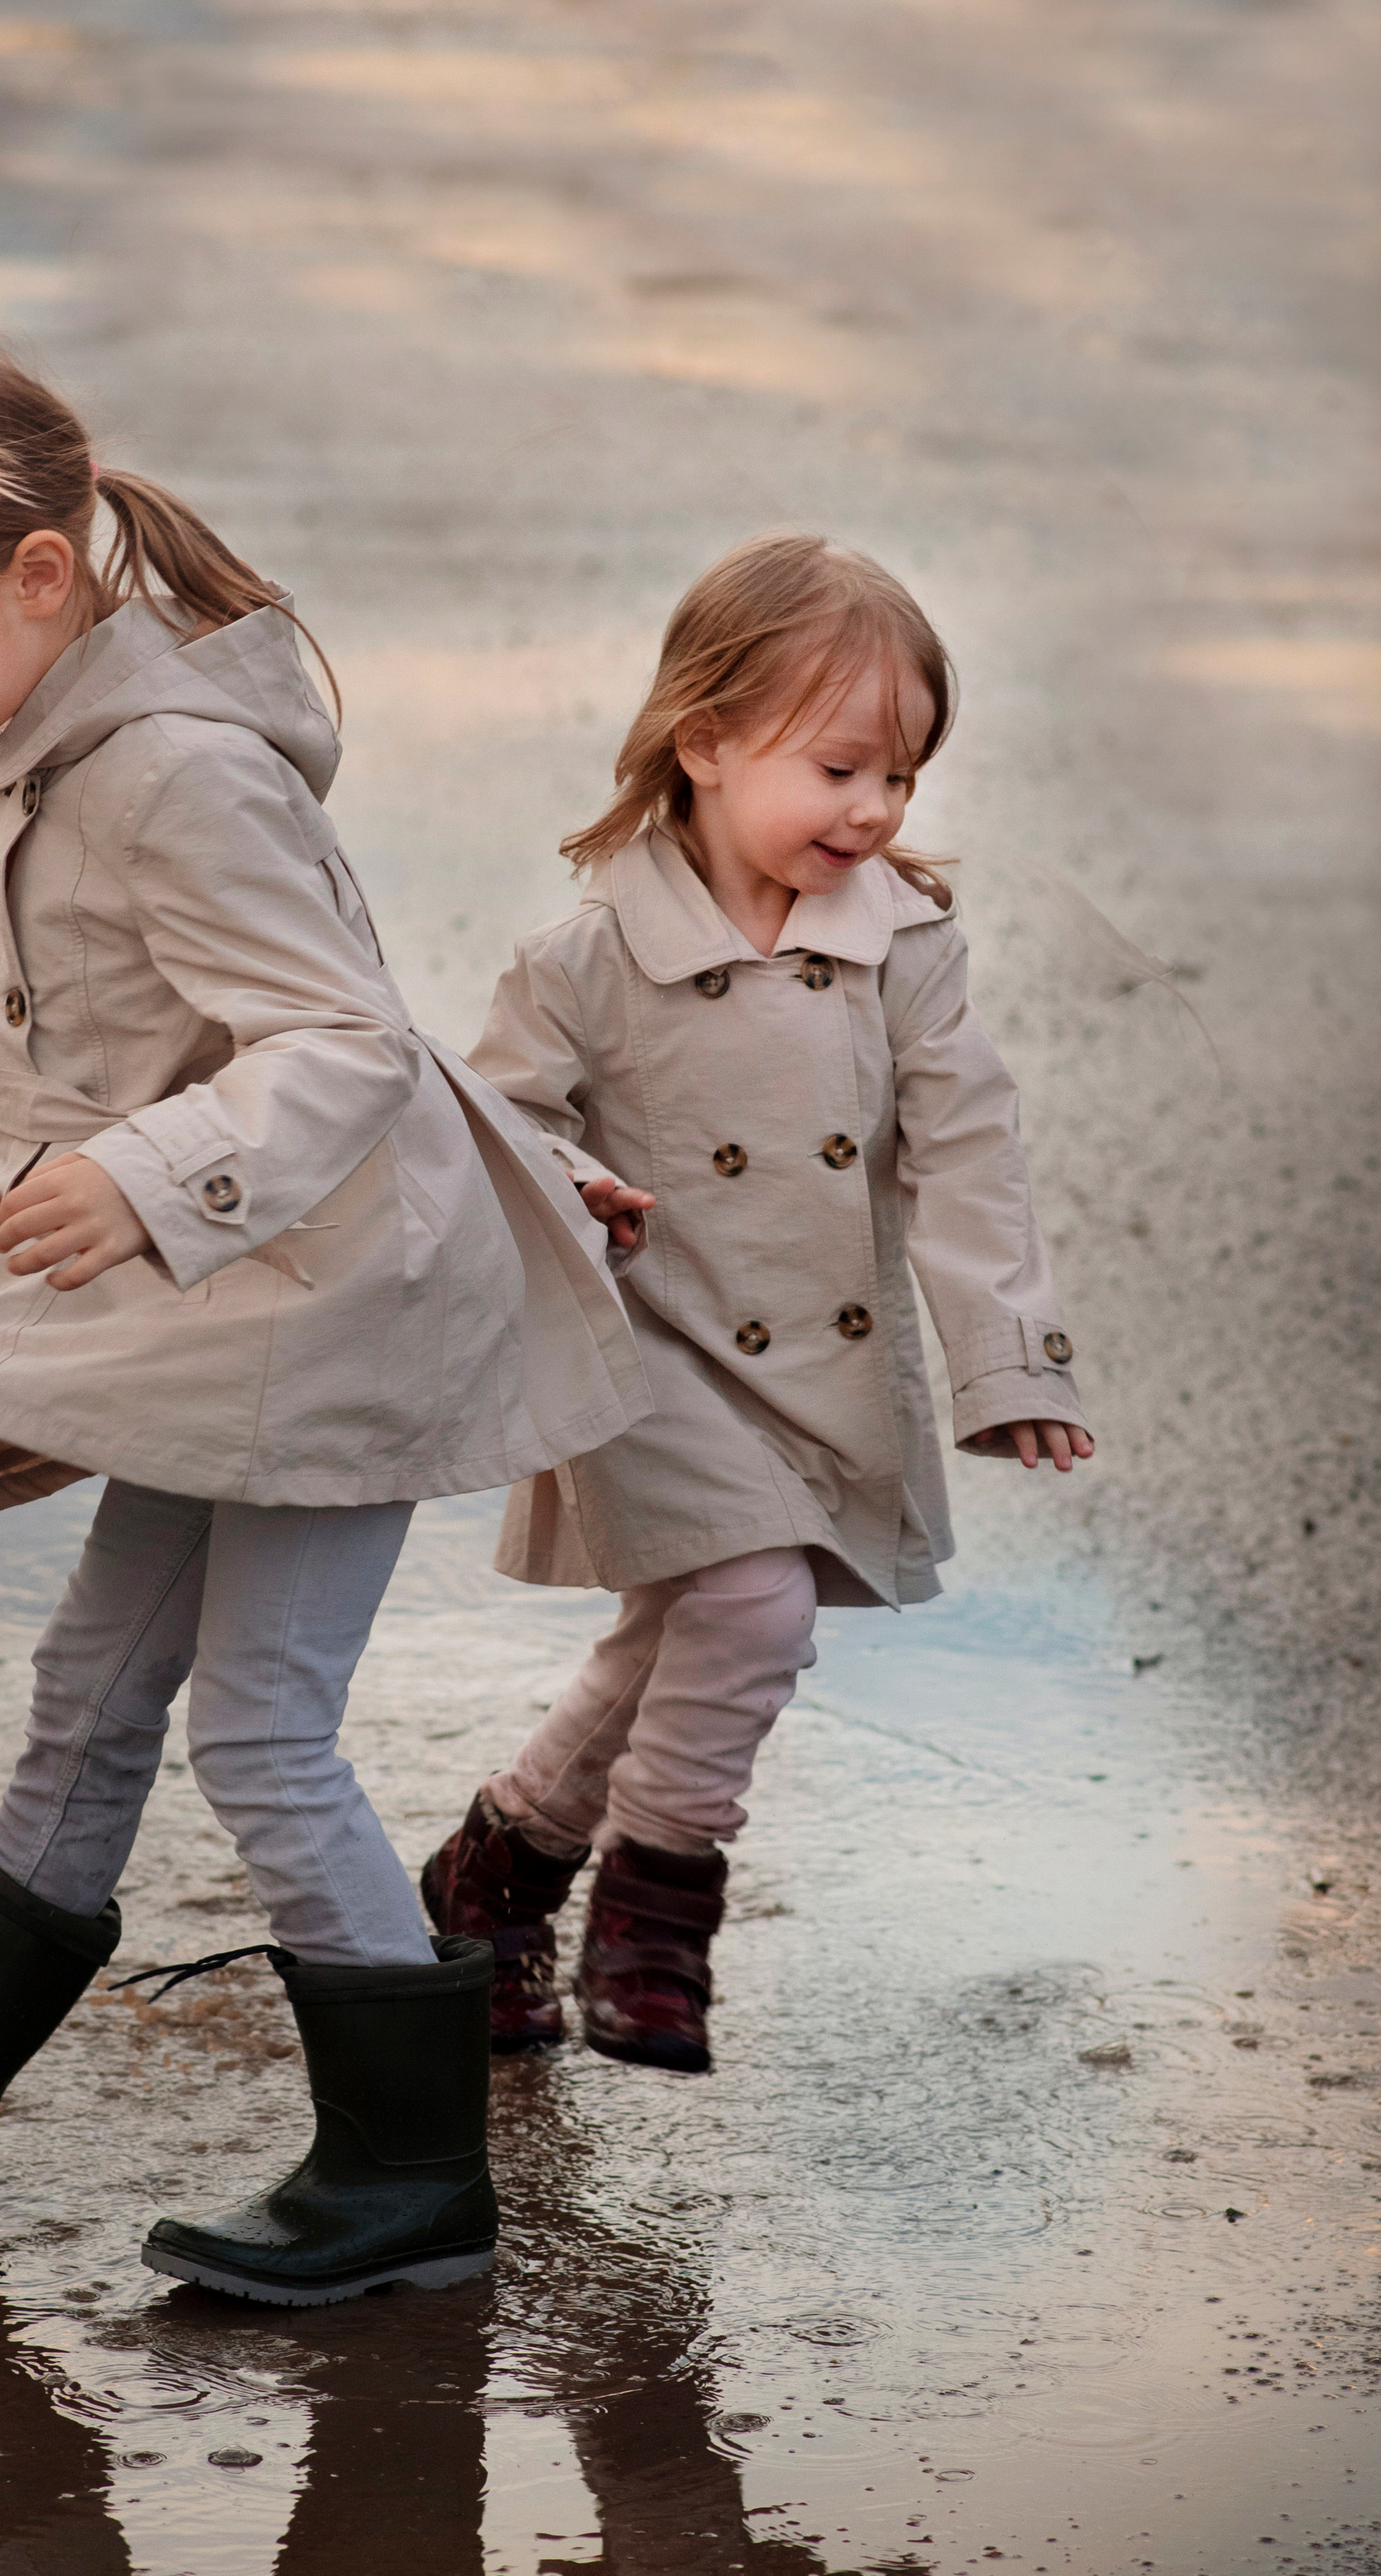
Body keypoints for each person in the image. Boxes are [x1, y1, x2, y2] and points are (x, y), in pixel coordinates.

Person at [0, 337, 649, 2302]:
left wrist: (146, 1179)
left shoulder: (171, 770)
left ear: (33, 580)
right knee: (94, 1687)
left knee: (262, 1730)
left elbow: (338, 1044)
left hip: (337, 1304)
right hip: (242, 1307)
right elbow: (71, 1041)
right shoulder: (49, 739)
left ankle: (409, 2177)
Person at [421, 532, 1093, 2072]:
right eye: (843, 767)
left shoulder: (904, 953)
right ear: (705, 740)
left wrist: (1011, 1364)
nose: (874, 811)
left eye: (904, 779)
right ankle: (659, 1921)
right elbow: (495, 1124)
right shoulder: (585, 958)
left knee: (684, 1628)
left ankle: (493, 1877)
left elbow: (968, 1152)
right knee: (750, 1603)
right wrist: (569, 1177)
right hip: (648, 1345)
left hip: (818, 1368)